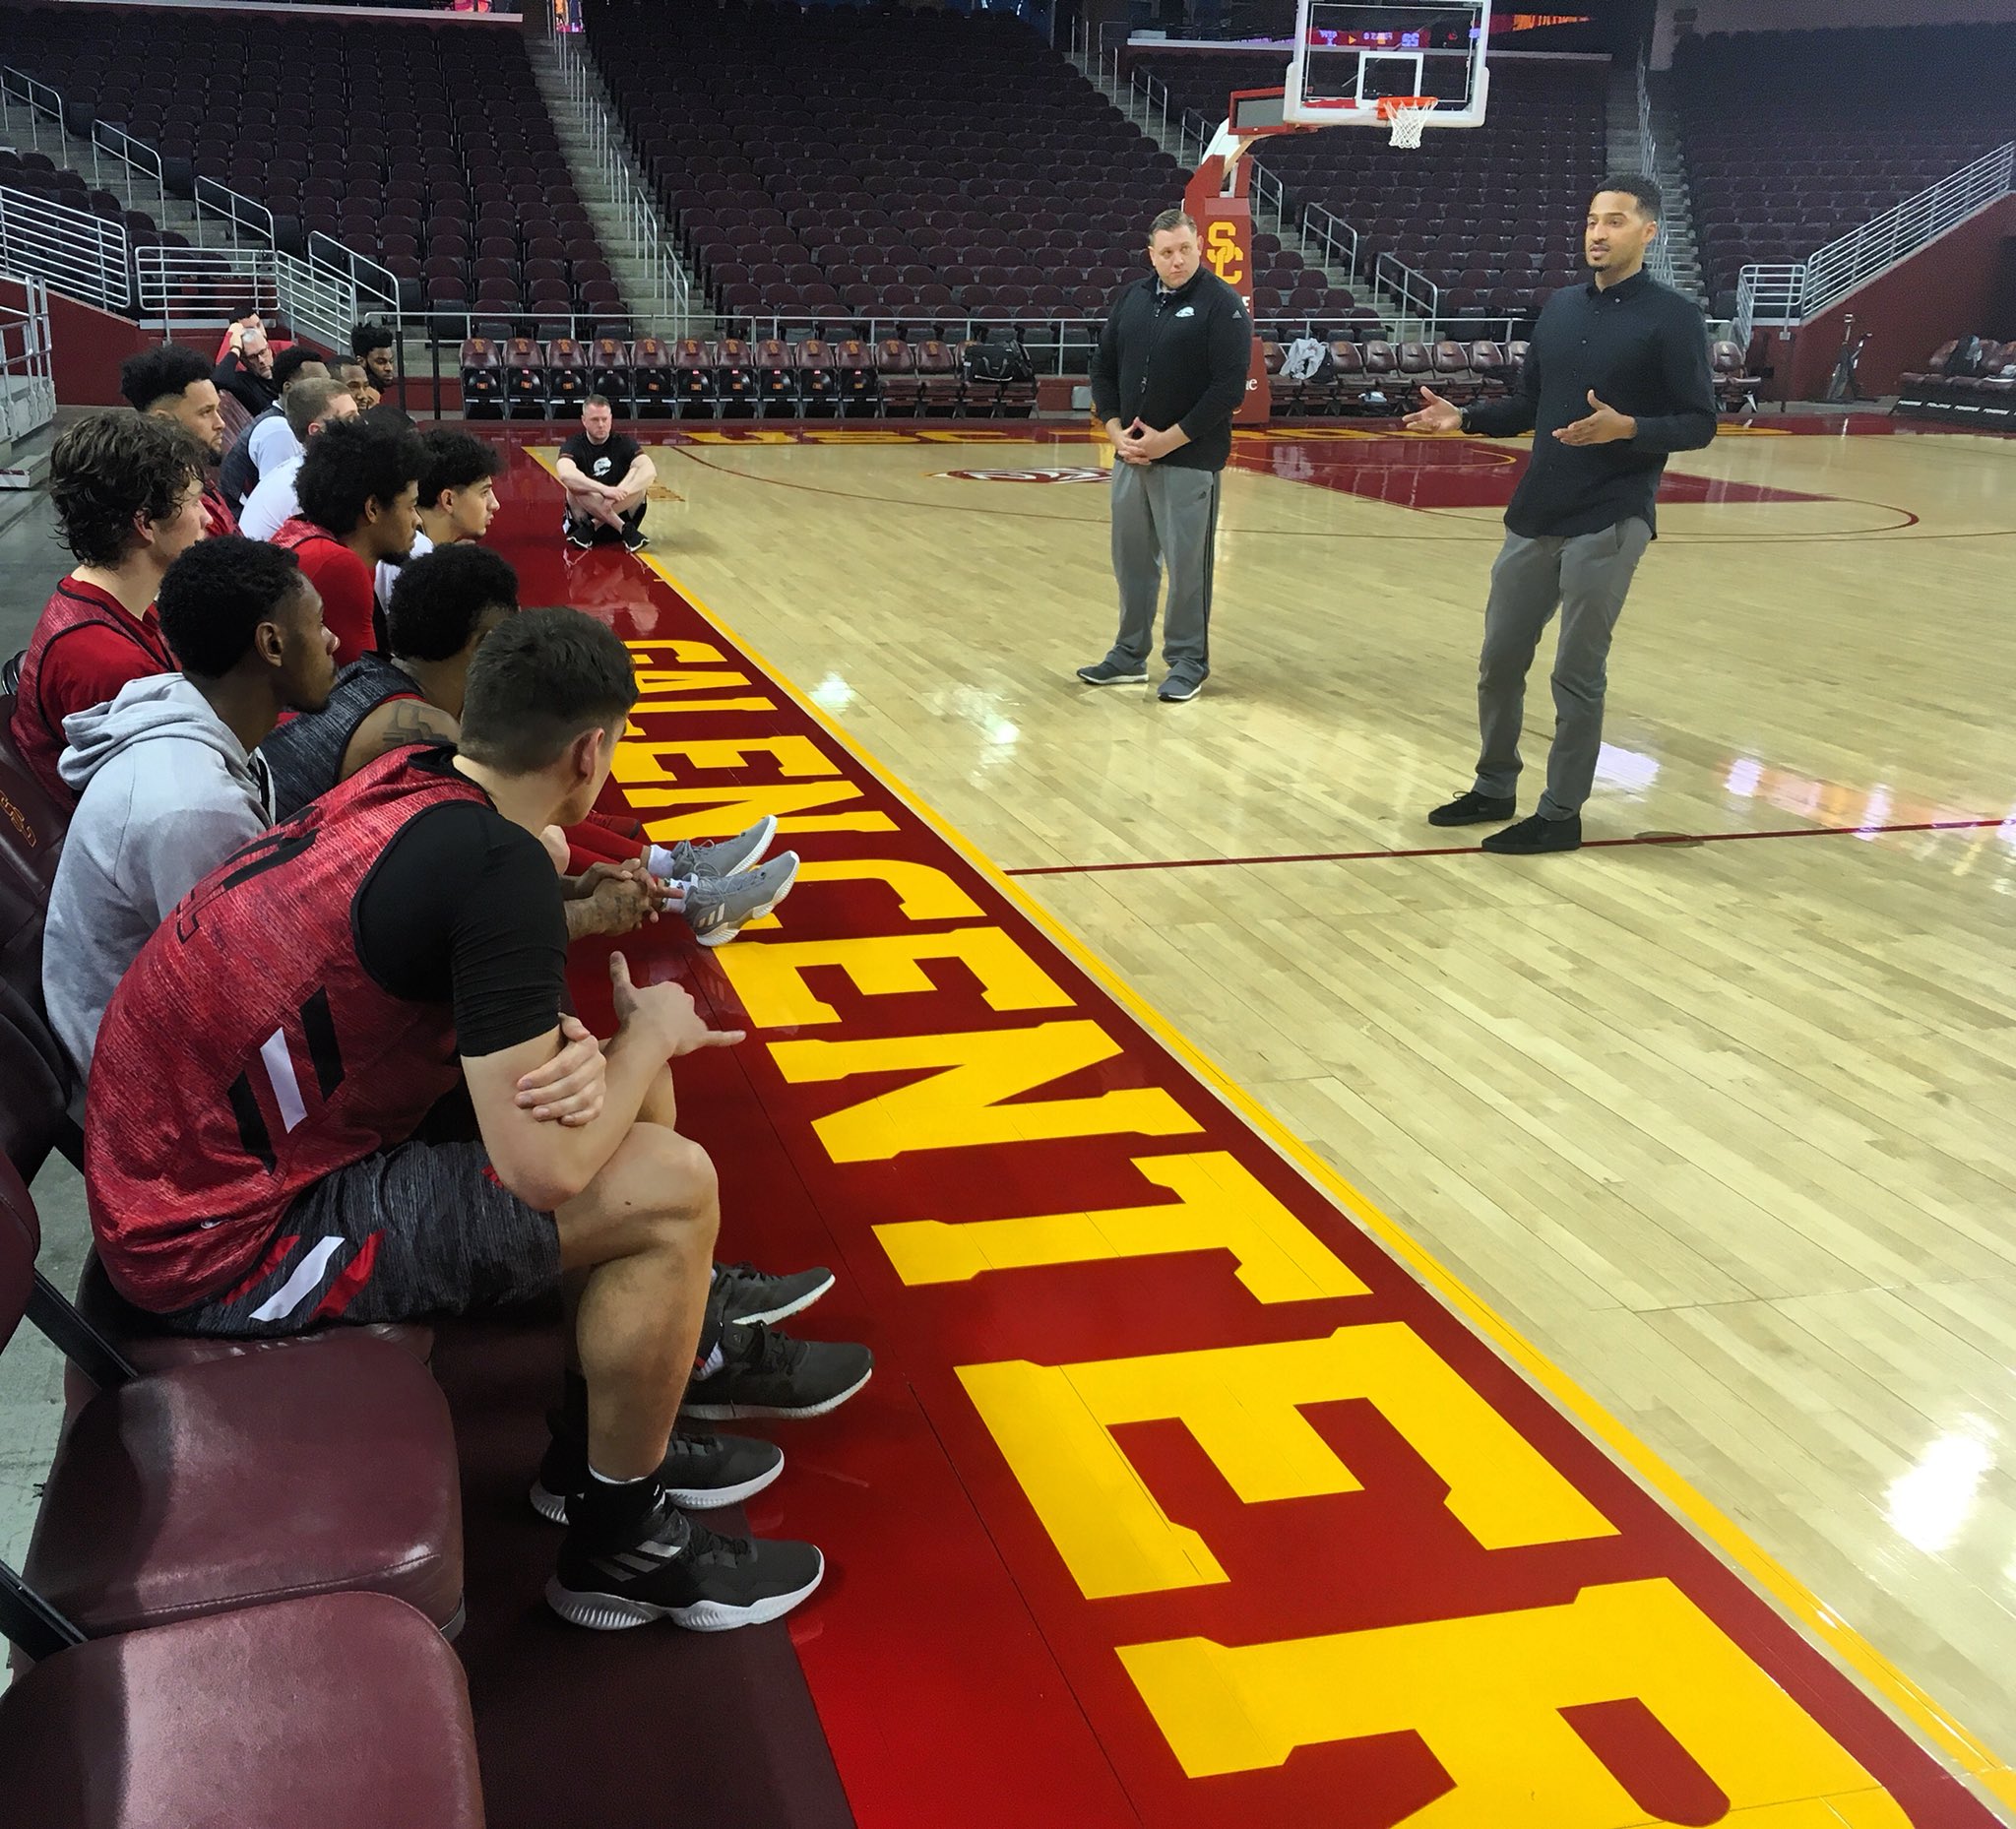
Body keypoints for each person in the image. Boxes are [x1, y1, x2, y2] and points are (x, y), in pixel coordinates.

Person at [85, 608, 873, 1633]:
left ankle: (611, 1424)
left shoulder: (419, 781)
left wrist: (607, 1059)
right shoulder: (497, 870)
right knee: (671, 1184)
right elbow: (543, 1171)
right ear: (589, 751)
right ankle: (619, 1545)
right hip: (216, 1238)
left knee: (629, 1104)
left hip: (187, 1161)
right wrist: (649, 1036)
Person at [260, 545, 800, 947]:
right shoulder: (424, 728)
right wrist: (588, 907)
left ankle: (674, 865)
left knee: (533, 790)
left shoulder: (374, 678)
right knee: (537, 816)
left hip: (293, 888)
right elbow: (493, 877)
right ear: (486, 644)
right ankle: (691, 897)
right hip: (307, 926)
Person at [1404, 176, 1717, 854]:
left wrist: (1628, 427)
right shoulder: (1560, 308)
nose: (1598, 233)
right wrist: (1466, 419)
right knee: (1498, 661)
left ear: (1648, 232)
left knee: (1575, 671)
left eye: (1615, 221)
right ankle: (1494, 786)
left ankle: (1561, 811)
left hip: (1612, 514)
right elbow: (1529, 407)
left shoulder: (1673, 318)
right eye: (1591, 221)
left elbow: (1698, 423)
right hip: (1537, 509)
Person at [43, 538, 340, 1098]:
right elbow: (242, 999)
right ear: (271, 644)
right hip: (148, 1089)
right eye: (319, 624)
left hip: (158, 1028)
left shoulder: (190, 706)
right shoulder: (196, 810)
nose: (332, 641)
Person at [1078, 206, 1252, 705]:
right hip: (1130, 456)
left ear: (1199, 246)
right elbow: (1102, 368)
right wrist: (1114, 431)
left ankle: (1187, 662)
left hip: (1189, 461)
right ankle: (1128, 656)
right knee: (1131, 563)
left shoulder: (1224, 305)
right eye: (1167, 253)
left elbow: (1227, 391)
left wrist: (1168, 440)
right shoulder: (1132, 298)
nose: (1178, 261)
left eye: (1186, 250)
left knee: (1187, 568)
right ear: (1151, 255)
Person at [8, 414, 207, 804]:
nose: (206, 517)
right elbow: (160, 802)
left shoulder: (102, 601)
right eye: (195, 501)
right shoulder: (110, 664)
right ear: (145, 523)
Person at [270, 416, 424, 663]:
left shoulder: (304, 533)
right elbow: (361, 687)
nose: (417, 520)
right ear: (372, 508)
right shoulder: (337, 565)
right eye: (411, 506)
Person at [119, 342, 237, 537]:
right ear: (162, 421)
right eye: (205, 412)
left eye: (217, 409)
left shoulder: (196, 480)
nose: (220, 423)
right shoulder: (171, 513)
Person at [374, 428, 503, 605]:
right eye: (484, 492)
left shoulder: (408, 543)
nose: (494, 504)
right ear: (448, 500)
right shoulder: (418, 557)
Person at [238, 377, 360, 542]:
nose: (362, 424)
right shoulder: (308, 483)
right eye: (350, 418)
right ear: (317, 431)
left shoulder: (307, 468)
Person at [218, 350, 332, 508]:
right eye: (316, 384)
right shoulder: (279, 430)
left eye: (328, 383)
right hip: (240, 524)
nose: (327, 390)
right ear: (288, 388)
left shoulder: (285, 420)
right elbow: (281, 500)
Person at [556, 396, 655, 551]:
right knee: (574, 485)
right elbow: (565, 475)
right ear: (584, 420)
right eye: (595, 420)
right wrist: (604, 490)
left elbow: (650, 471)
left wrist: (621, 492)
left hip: (594, 528)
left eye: (605, 419)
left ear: (611, 419)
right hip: (582, 524)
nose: (601, 425)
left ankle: (595, 525)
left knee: (639, 477)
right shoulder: (574, 445)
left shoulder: (623, 442)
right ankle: (624, 529)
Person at [351, 322, 415, 430]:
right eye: (380, 362)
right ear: (361, 361)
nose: (389, 368)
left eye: (390, 361)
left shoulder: (375, 392)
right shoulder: (367, 397)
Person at [214, 316, 280, 415]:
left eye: (263, 352)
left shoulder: (286, 369)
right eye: (253, 357)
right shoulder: (244, 381)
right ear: (244, 360)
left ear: (269, 349)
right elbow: (218, 379)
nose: (261, 360)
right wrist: (236, 348)